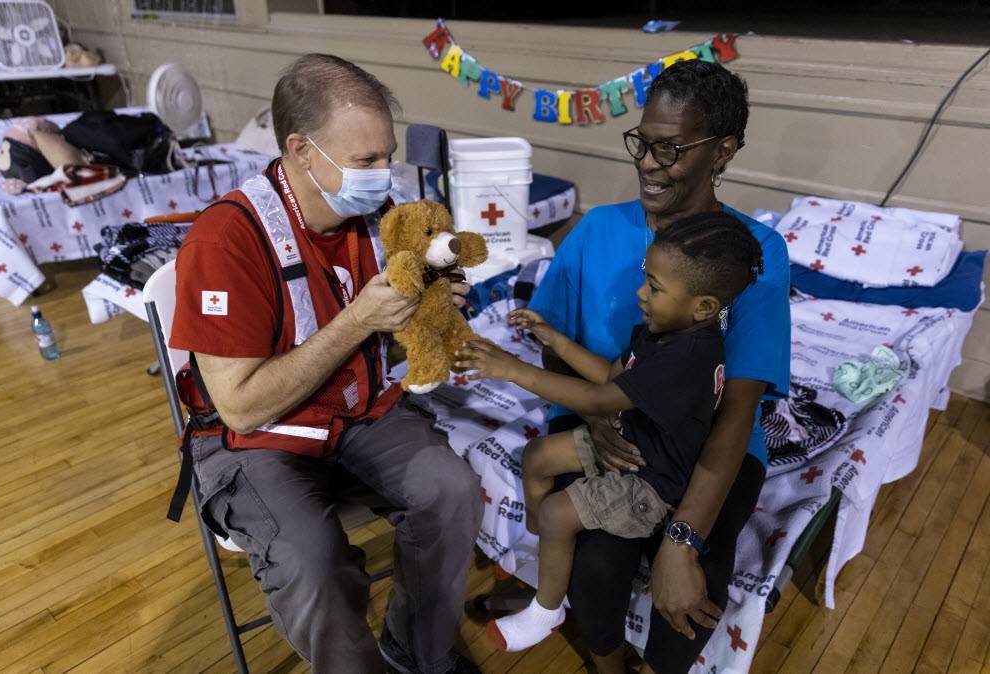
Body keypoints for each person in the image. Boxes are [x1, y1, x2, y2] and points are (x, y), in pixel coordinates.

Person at [169, 54, 482, 674]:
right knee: (314, 560)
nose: (382, 174)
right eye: (365, 161)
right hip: (256, 435)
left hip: (355, 408)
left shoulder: (376, 219)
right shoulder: (226, 238)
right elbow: (241, 405)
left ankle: (415, 651)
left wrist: (429, 310)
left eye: (386, 155)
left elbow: (389, 338)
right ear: (301, 150)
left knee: (453, 490)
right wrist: (359, 321)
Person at [525, 59, 791, 673]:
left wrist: (682, 540)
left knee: (696, 590)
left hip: (706, 443)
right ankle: (609, 662)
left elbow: (740, 405)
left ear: (722, 152)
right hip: (612, 428)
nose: (647, 161)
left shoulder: (750, 255)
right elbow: (550, 340)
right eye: (642, 142)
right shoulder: (596, 231)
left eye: (670, 149)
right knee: (595, 566)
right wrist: (594, 416)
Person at [455, 213, 764, 655]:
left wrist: (511, 368)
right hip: (634, 442)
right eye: (646, 279)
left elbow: (600, 402)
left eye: (654, 288)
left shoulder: (687, 358)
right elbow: (611, 378)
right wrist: (555, 339)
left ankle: (547, 610)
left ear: (704, 306)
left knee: (561, 512)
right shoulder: (664, 331)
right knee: (538, 456)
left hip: (653, 480)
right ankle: (544, 555)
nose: (640, 294)